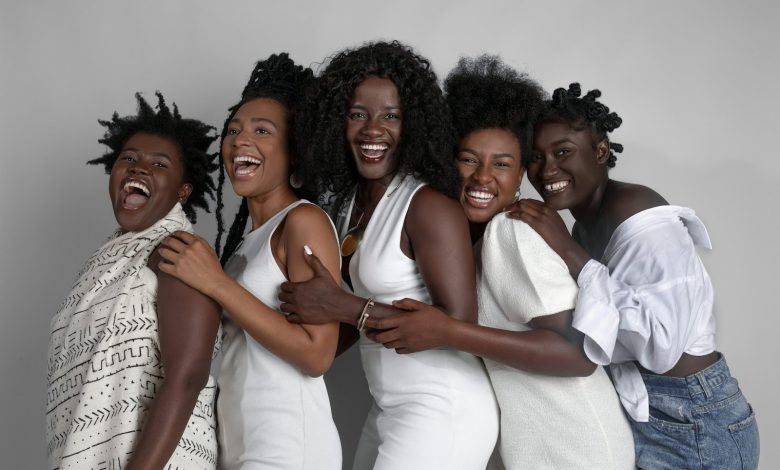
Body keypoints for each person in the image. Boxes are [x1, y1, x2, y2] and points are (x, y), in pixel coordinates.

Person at [363, 56, 635, 469]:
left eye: (502, 164)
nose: (483, 178)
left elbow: (578, 355)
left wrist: (451, 332)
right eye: (469, 159)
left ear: (522, 173)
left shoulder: (513, 232)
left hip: (575, 445)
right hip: (535, 445)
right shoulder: (470, 238)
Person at [511, 83, 760, 469]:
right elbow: (609, 331)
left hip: (695, 422)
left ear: (600, 151)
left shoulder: (635, 211)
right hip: (648, 416)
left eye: (563, 152)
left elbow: (662, 347)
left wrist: (570, 253)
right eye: (535, 157)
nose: (548, 170)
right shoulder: (582, 229)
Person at [278, 41, 498, 470]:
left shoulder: (428, 206)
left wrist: (341, 305)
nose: (372, 129)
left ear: (413, 126)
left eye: (391, 116)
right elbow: (340, 325)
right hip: (390, 407)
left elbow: (458, 325)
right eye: (358, 114)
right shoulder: (349, 206)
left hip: (443, 408)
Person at [157, 54, 342, 470]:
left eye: (262, 131)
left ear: (295, 152)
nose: (241, 140)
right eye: (234, 130)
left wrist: (216, 284)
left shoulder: (303, 221)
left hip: (287, 445)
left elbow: (317, 355)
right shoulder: (243, 244)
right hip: (238, 445)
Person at [46, 92, 222, 470]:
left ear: (182, 191)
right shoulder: (112, 255)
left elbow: (189, 375)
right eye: (128, 158)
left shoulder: (178, 249)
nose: (138, 168)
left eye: (158, 164)